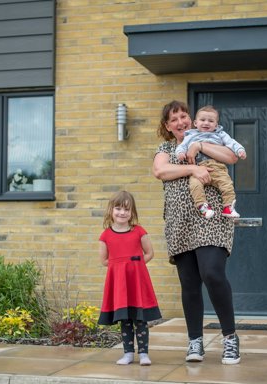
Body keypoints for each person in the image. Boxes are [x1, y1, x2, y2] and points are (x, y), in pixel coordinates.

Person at [152, 100, 241, 365]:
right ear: (168, 126)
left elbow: (232, 157)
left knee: (212, 274)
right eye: (174, 119)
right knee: (189, 284)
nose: (180, 122)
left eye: (183, 116)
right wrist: (193, 168)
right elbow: (160, 171)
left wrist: (200, 146)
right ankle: (195, 341)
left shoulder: (210, 139)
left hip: (211, 219)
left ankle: (230, 338)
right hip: (180, 223)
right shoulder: (166, 149)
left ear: (190, 119)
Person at [97, 190, 162, 366]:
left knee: (140, 318)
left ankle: (143, 354)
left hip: (137, 281)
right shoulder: (105, 235)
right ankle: (127, 353)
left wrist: (136, 265)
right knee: (124, 319)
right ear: (111, 210)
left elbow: (149, 253)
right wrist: (120, 267)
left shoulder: (139, 231)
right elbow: (104, 260)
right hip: (119, 283)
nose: (122, 212)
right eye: (118, 208)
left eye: (127, 209)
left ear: (132, 212)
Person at [175, 105, 246, 219]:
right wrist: (180, 153)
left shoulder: (220, 134)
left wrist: (240, 150)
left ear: (216, 125)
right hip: (198, 168)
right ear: (195, 123)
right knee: (195, 185)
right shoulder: (190, 136)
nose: (206, 123)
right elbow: (182, 146)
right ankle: (203, 207)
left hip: (217, 167)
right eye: (202, 120)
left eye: (211, 121)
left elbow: (232, 143)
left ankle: (228, 207)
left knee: (227, 184)